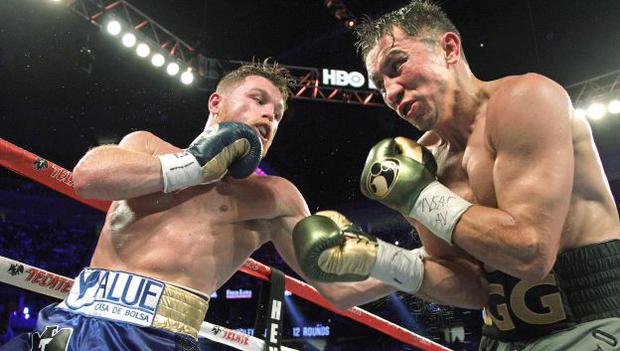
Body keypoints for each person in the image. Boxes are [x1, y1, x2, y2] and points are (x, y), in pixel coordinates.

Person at [0, 61, 400, 351]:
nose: (268, 116)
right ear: (215, 103)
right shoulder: (147, 146)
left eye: (277, 115)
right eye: (258, 100)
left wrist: (413, 267)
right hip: (70, 321)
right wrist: (191, 167)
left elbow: (336, 287)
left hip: (156, 339)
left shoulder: (274, 196)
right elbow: (88, 177)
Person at [292, 1, 620, 350]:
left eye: (397, 65)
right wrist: (377, 257)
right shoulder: (422, 159)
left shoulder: (526, 99)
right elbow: (474, 287)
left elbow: (532, 255)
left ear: (449, 48)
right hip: (502, 337)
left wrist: (420, 195)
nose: (390, 91)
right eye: (380, 83)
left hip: (594, 323)